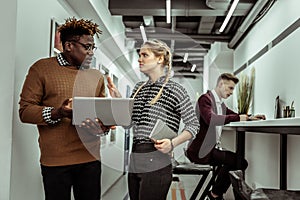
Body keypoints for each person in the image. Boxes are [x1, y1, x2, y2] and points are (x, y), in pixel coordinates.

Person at [19, 17, 111, 200]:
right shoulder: (41, 69)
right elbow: (25, 111)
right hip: (56, 162)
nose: (91, 52)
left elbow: (102, 114)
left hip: (91, 159)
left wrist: (103, 127)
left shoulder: (97, 76)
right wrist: (58, 112)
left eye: (93, 47)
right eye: (87, 47)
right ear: (69, 46)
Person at [107, 39, 199, 200]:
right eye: (139, 54)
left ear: (160, 58)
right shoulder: (138, 88)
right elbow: (129, 124)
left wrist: (172, 143)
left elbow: (193, 125)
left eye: (144, 55)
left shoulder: (175, 89)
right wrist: (118, 100)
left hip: (157, 158)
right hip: (135, 156)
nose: (139, 59)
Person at [186, 73, 266, 200]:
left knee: (237, 162)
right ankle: (215, 194)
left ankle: (215, 193)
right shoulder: (205, 99)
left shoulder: (220, 104)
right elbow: (210, 119)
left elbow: (234, 115)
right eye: (230, 88)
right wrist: (240, 117)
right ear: (221, 84)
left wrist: (251, 117)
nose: (231, 92)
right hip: (199, 151)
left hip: (209, 150)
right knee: (239, 162)